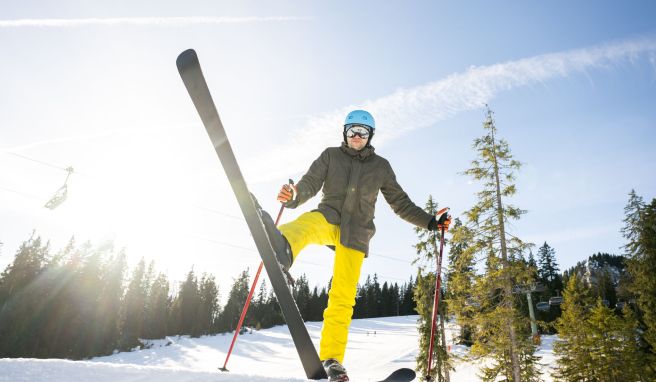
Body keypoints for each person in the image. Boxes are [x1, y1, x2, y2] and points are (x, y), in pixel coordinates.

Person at [260, 110, 451, 382]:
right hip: (330, 217)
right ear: (344, 134)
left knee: (343, 298)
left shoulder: (381, 166)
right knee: (307, 224)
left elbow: (401, 204)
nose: (357, 137)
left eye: (362, 132)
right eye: (352, 132)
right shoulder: (330, 155)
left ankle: (332, 359)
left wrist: (432, 222)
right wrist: (294, 195)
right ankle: (283, 248)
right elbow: (309, 184)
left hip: (357, 234)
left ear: (370, 135)